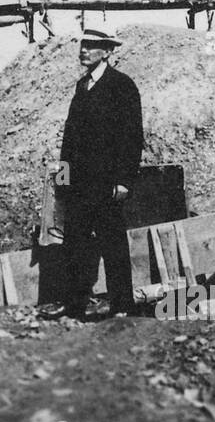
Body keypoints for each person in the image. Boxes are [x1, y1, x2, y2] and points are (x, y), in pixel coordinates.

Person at [44, 27, 144, 320]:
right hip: (78, 184)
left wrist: (125, 180)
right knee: (74, 243)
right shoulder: (82, 86)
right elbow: (70, 139)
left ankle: (123, 305)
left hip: (106, 184)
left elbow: (132, 137)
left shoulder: (121, 86)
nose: (84, 50)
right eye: (83, 45)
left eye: (92, 46)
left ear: (108, 52)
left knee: (112, 243)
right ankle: (74, 305)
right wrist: (63, 180)